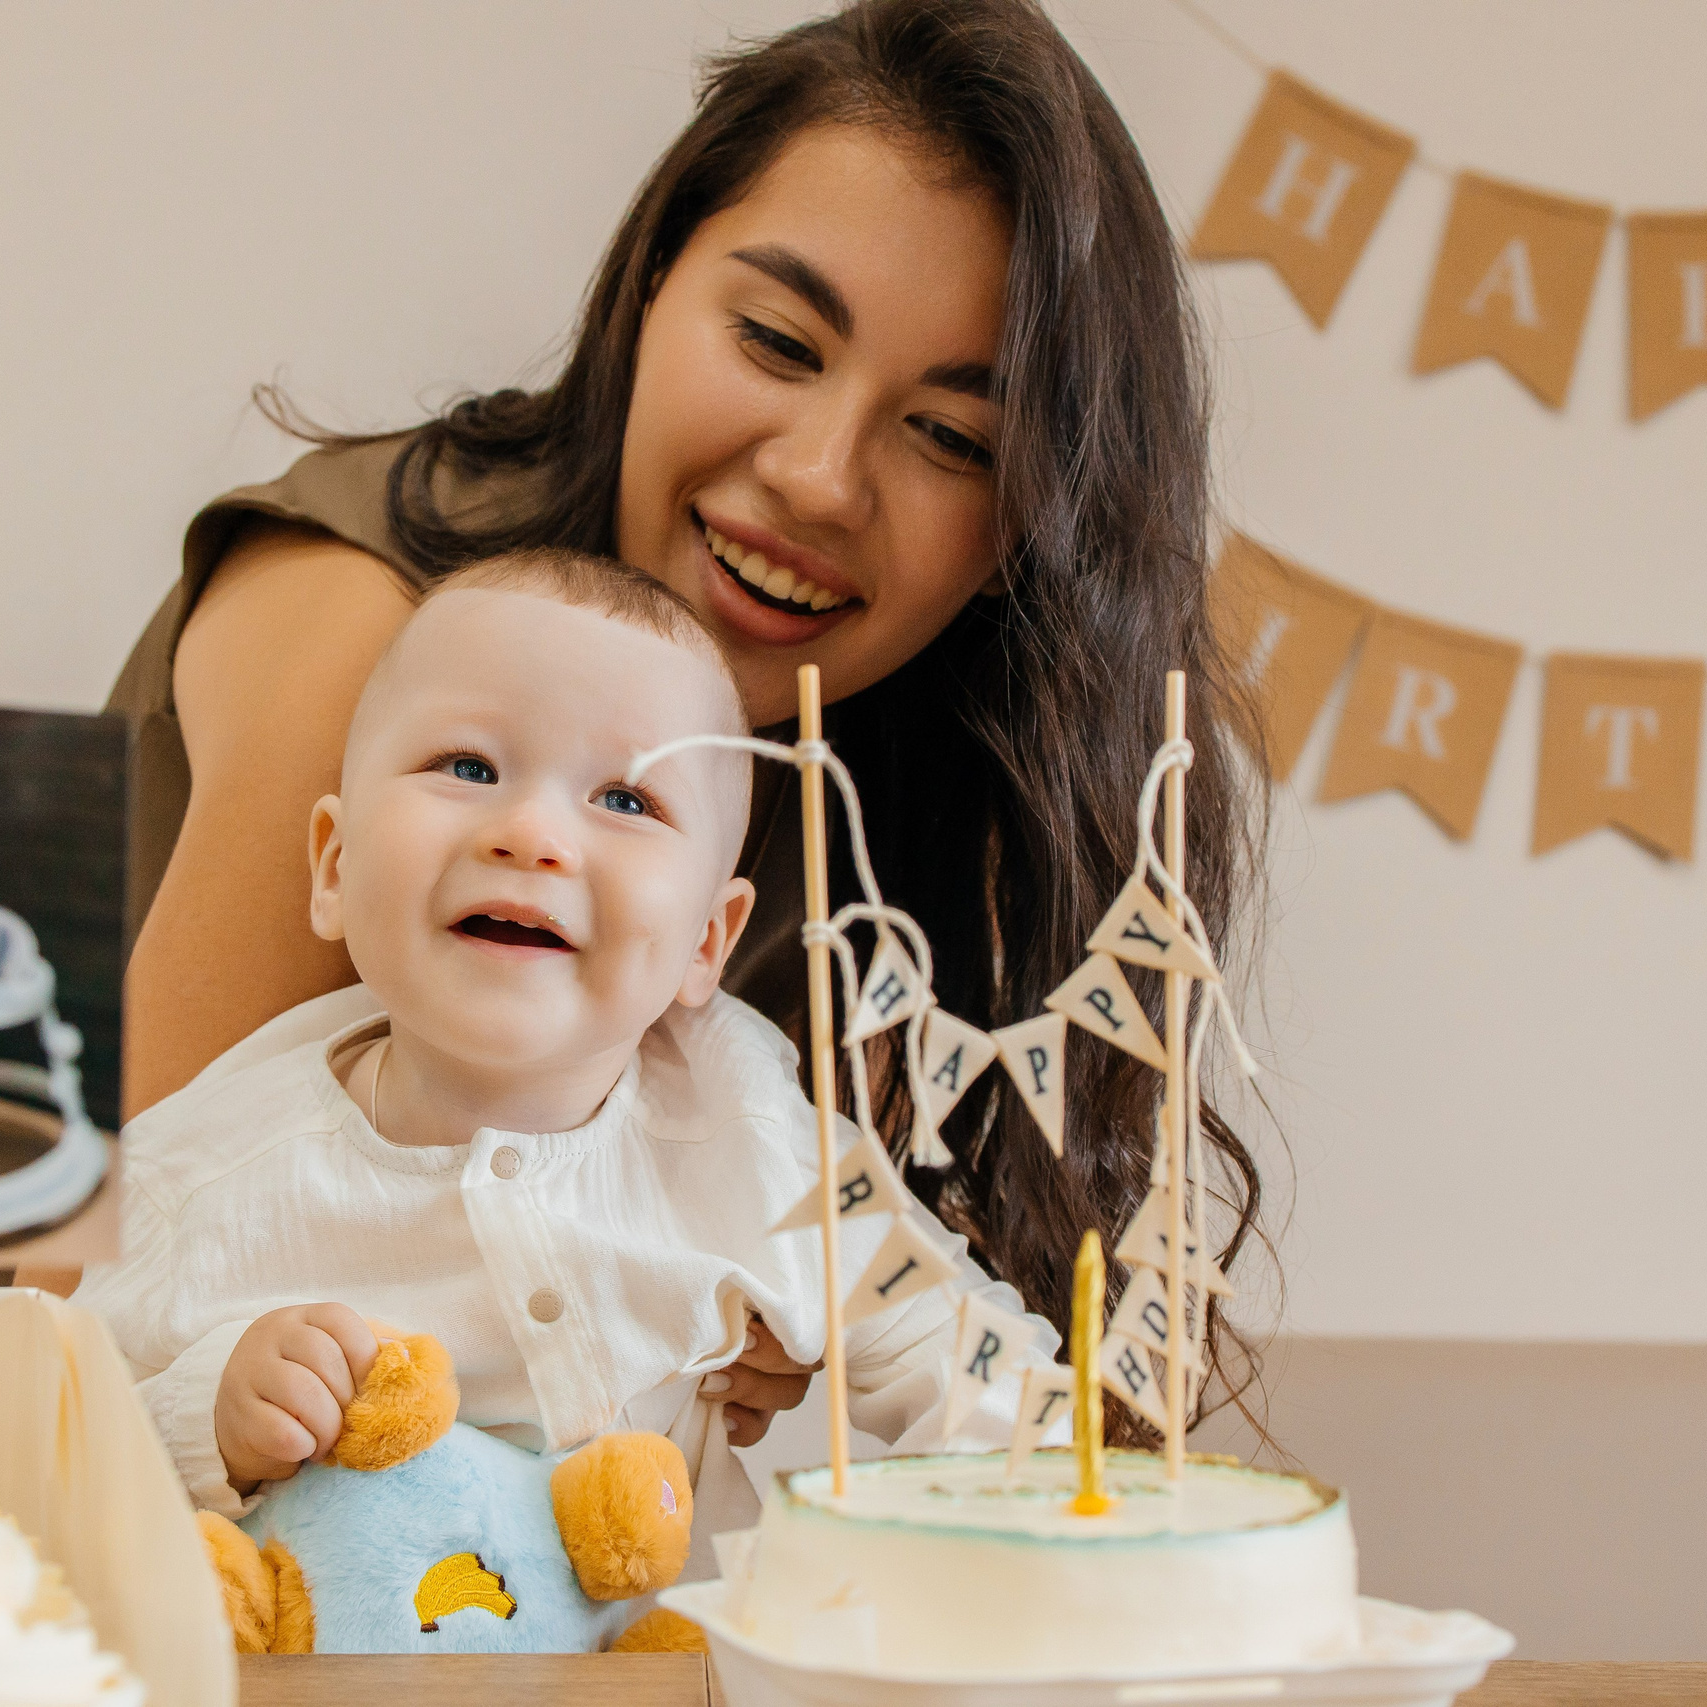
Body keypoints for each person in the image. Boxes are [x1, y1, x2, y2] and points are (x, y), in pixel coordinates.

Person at [91, 0, 1268, 1441]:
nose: (824, 479)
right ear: (649, 283)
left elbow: (891, 1313)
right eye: (778, 340)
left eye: (955, 436)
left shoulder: (887, 757)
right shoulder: (389, 652)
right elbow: (68, 1305)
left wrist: (760, 1318)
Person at [73, 551, 1053, 1540]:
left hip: (666, 1678)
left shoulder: (758, 1142)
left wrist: (1051, 1511)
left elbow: (963, 1352)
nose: (532, 832)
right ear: (334, 864)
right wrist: (209, 1416)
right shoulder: (198, 1177)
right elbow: (53, 1442)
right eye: (468, 767)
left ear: (705, 942)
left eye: (627, 801)